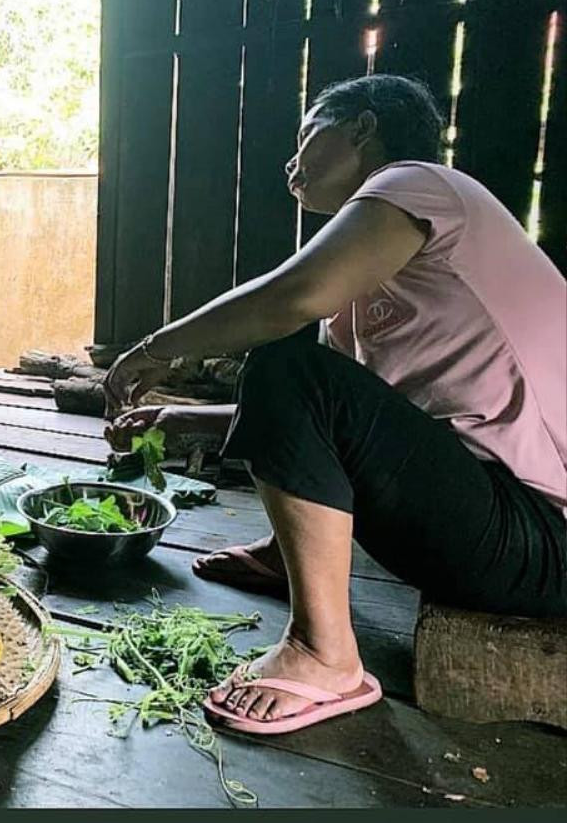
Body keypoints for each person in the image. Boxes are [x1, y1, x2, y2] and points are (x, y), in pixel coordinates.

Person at [103, 74, 566, 735]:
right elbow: (318, 435)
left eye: (305, 137)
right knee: (296, 371)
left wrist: (158, 347)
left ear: (362, 129)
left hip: (543, 538)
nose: (291, 162)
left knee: (284, 358)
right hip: (490, 528)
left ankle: (326, 655)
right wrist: (177, 420)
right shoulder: (366, 293)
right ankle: (283, 553)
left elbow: (290, 302)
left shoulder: (420, 184)